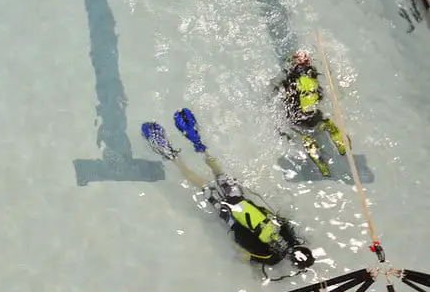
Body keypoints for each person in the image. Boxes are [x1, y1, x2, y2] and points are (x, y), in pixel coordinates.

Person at [142, 108, 315, 277]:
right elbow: (243, 255)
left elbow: (274, 214)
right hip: (228, 213)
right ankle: (170, 153)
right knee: (197, 180)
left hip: (239, 198)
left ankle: (198, 144)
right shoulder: (271, 258)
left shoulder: (288, 233)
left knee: (218, 171)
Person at [276, 50, 347, 177]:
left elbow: (282, 96)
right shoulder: (311, 74)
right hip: (313, 115)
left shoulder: (288, 79)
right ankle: (341, 145)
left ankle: (320, 162)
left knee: (302, 134)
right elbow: (318, 96)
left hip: (295, 117)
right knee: (326, 122)